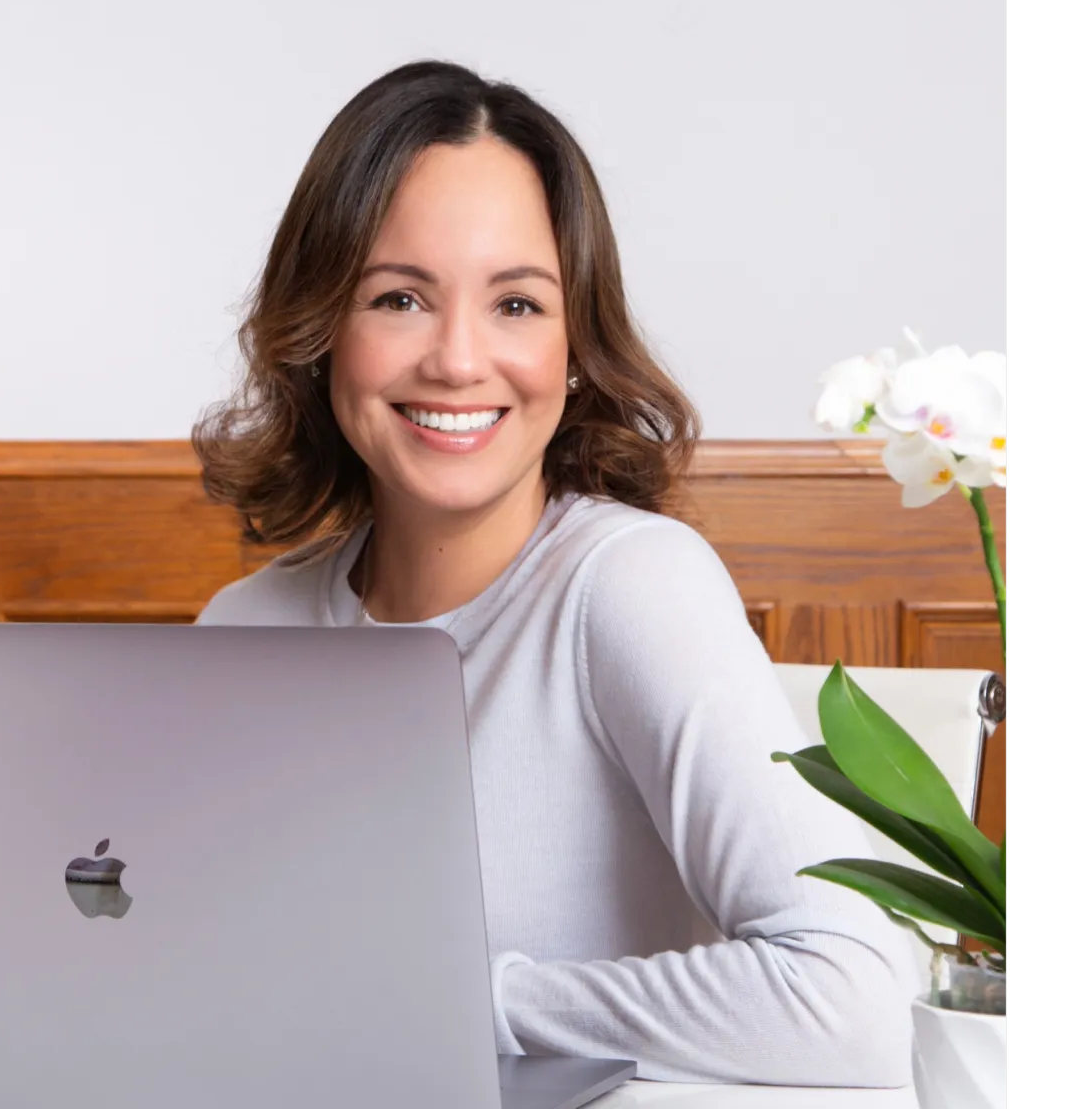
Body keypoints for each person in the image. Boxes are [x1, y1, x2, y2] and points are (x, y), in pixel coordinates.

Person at [192, 60, 918, 1085]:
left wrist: (459, 999)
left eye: (517, 306)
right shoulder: (244, 631)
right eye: (398, 298)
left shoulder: (627, 589)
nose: (456, 360)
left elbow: (859, 1000)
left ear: (575, 346)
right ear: (322, 337)